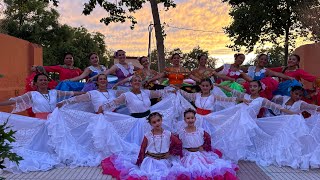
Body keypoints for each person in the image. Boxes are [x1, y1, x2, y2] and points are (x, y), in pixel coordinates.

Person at [0, 73, 82, 172]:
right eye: (40, 80)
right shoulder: (32, 94)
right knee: (41, 146)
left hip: (55, 123)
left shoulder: (54, 92)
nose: (43, 82)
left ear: (48, 82)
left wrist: (87, 93)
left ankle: (61, 156)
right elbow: (14, 101)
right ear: (36, 83)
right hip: (40, 124)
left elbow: (71, 94)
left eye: (45, 80)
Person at [217, 81, 309, 168]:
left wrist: (292, 113)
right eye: (251, 86)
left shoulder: (262, 100)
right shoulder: (245, 96)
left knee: (245, 141)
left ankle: (239, 155)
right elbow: (233, 91)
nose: (252, 88)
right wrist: (220, 85)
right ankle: (234, 154)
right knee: (233, 137)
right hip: (240, 121)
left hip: (250, 123)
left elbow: (278, 107)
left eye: (255, 86)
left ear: (259, 88)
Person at [98, 75, 178, 145]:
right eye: (135, 81)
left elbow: (160, 93)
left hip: (151, 120)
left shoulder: (146, 92)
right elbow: (114, 102)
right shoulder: (126, 95)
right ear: (131, 83)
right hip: (137, 123)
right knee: (141, 143)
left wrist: (170, 90)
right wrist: (102, 108)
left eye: (139, 81)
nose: (137, 82)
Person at [100, 112, 182, 179]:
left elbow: (178, 143)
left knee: (164, 174)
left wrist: (170, 152)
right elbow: (142, 148)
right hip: (151, 160)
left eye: (158, 120)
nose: (157, 123)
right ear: (150, 124)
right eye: (154, 122)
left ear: (161, 120)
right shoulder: (148, 135)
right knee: (149, 174)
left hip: (163, 160)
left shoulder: (168, 133)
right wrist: (140, 160)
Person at [173, 109, 238, 179]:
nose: (190, 120)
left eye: (192, 118)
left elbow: (208, 138)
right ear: (185, 120)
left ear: (195, 119)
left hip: (199, 152)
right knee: (189, 168)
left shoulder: (200, 130)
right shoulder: (182, 132)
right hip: (187, 153)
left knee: (205, 166)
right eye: (188, 118)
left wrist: (204, 147)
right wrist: (178, 150)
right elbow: (177, 142)